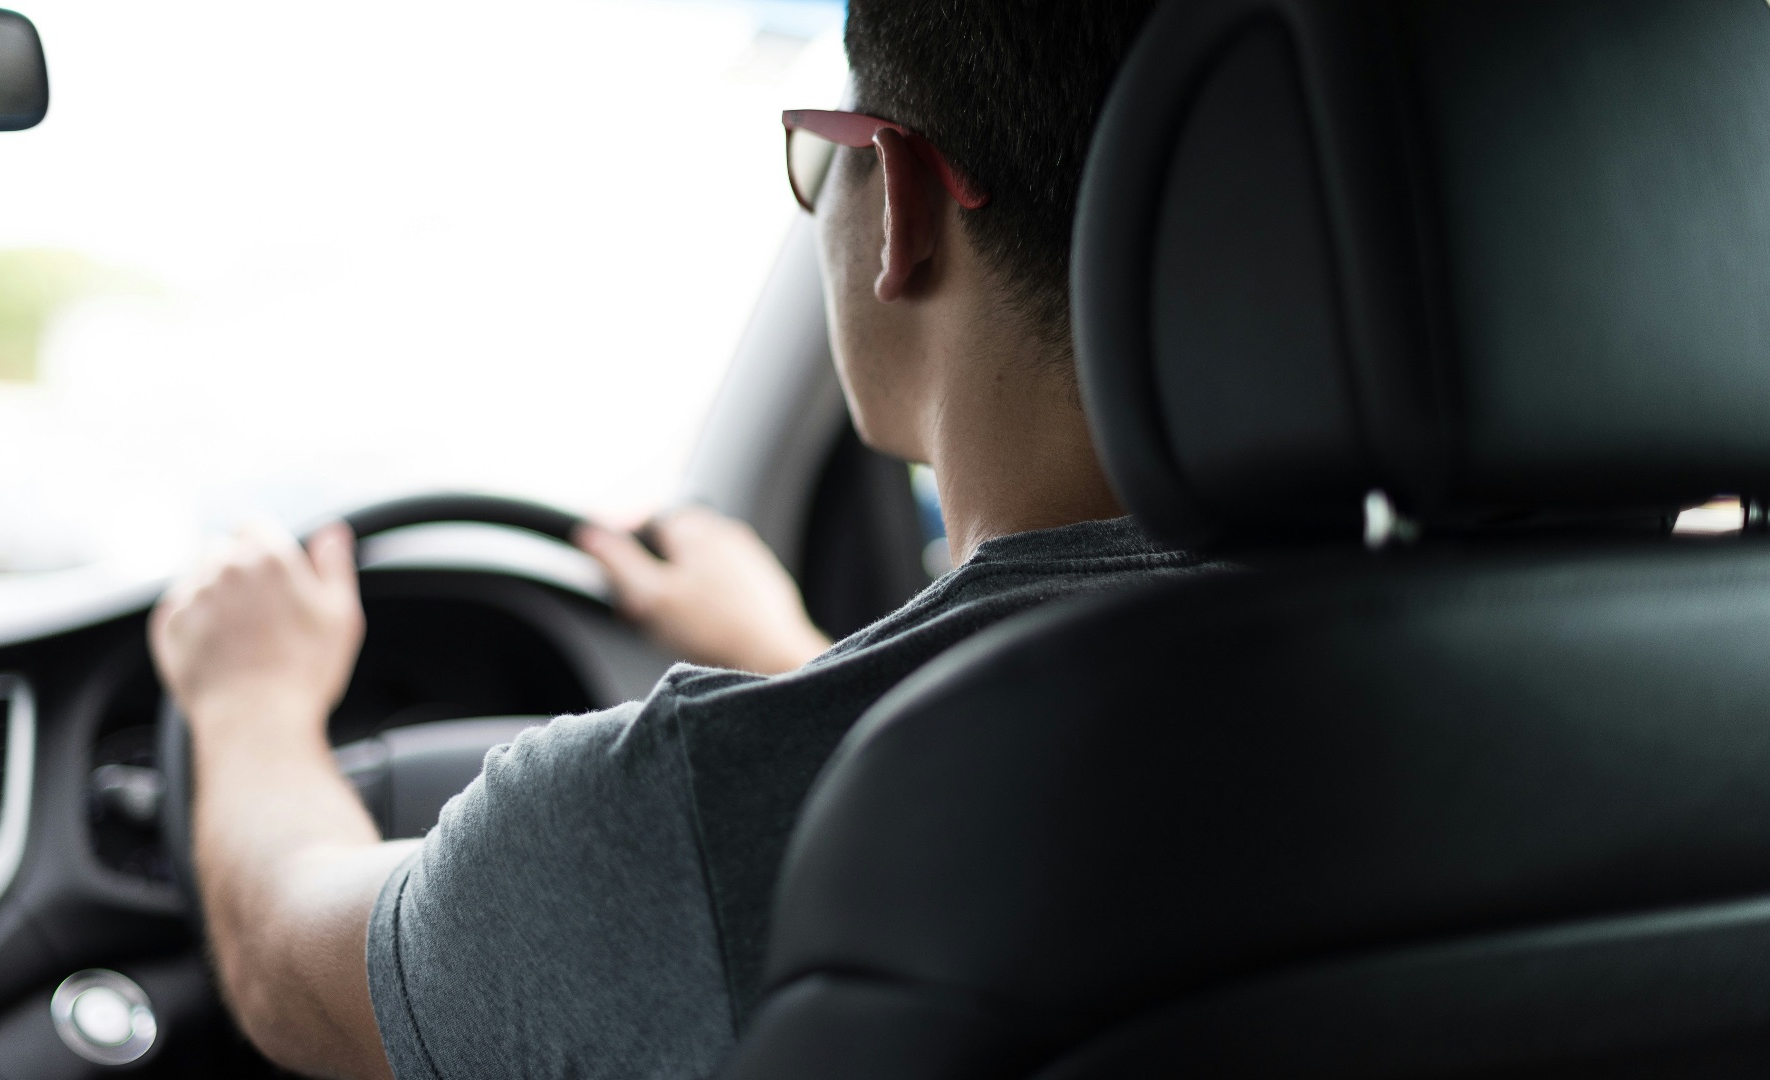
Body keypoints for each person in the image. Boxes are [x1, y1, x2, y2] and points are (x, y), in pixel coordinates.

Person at [146, 2, 1192, 1077]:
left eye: (818, 158)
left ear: (902, 206)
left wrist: (251, 705)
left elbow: (288, 967)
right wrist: (793, 655)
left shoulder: (687, 808)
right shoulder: (1360, 655)